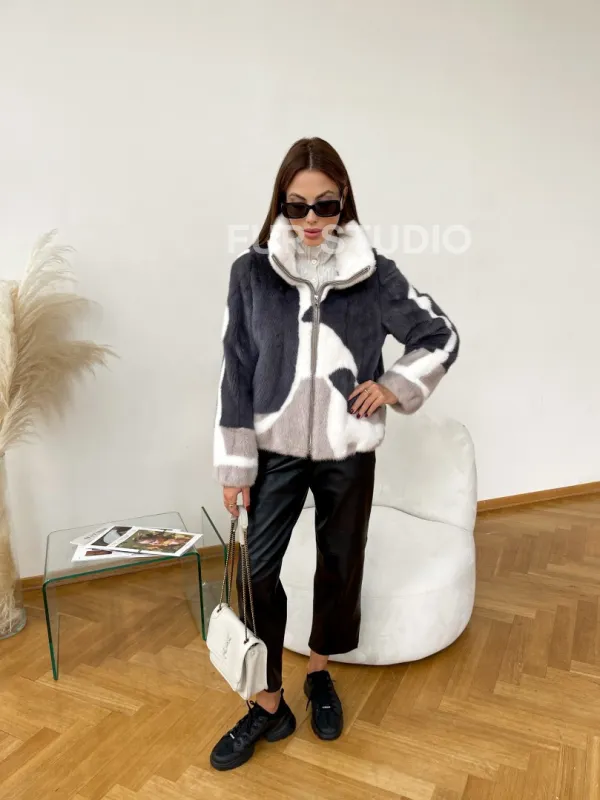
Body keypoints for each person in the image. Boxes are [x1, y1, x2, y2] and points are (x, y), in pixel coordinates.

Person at [210, 137, 459, 771]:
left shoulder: (374, 273)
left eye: (324, 204)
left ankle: (319, 670)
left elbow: (440, 335)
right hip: (274, 448)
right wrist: (235, 465)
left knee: (340, 563)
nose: (312, 219)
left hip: (348, 448)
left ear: (343, 199)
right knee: (256, 573)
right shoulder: (251, 273)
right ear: (281, 204)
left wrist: (392, 386)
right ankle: (268, 702)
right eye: (297, 206)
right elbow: (235, 370)